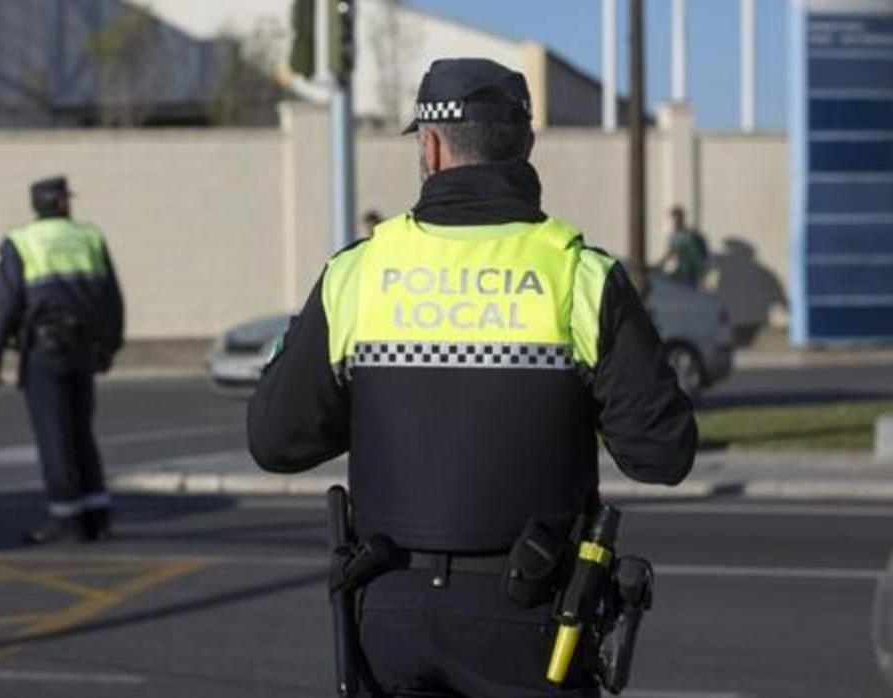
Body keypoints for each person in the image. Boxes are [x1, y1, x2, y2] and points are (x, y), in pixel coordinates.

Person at [247, 58, 695, 697]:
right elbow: (662, 455)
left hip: (388, 613)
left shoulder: (358, 272)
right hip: (534, 618)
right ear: (527, 145)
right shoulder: (581, 276)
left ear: (429, 147)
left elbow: (276, 442)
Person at [0, 176, 124, 545]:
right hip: (83, 350)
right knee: (82, 433)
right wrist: (109, 347)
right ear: (62, 203)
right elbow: (111, 298)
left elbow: (5, 304)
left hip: (43, 351)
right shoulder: (89, 237)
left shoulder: (21, 242)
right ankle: (98, 517)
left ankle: (66, 518)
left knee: (54, 435)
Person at [658, 205, 710, 287]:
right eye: (672, 220)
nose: (674, 222)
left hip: (690, 272)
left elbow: (670, 252)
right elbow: (670, 253)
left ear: (681, 219)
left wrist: (659, 265)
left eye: (676, 219)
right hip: (685, 271)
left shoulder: (690, 236)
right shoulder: (677, 235)